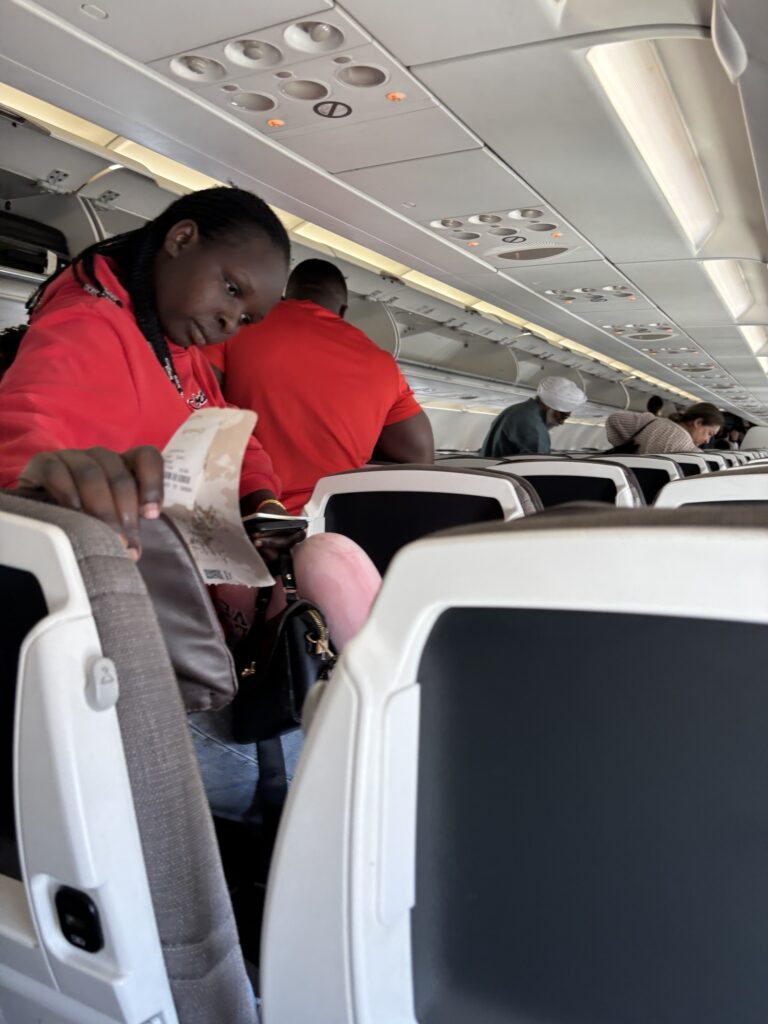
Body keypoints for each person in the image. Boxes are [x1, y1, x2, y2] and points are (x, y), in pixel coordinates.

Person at [0, 186, 380, 820]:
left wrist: (259, 497)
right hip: (146, 679)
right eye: (231, 290)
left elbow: (233, 431)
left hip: (204, 639)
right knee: (346, 773)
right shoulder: (88, 324)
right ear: (180, 240)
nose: (231, 322)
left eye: (246, 318)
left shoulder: (179, 350)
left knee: (327, 562)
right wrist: (42, 481)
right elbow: (24, 439)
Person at [206, 258, 434, 513]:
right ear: (343, 310)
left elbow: (195, 405)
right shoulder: (383, 364)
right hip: (333, 520)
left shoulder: (238, 326)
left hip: (247, 513)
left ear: (285, 296)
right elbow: (420, 458)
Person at [482, 376, 587, 457]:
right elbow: (538, 467)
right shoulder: (535, 427)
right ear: (549, 406)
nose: (560, 423)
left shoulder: (515, 410)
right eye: (561, 416)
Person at [605, 402, 725, 454]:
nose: (707, 440)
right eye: (709, 433)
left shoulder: (650, 421)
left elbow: (614, 419)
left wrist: (625, 447)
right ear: (698, 422)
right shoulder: (691, 453)